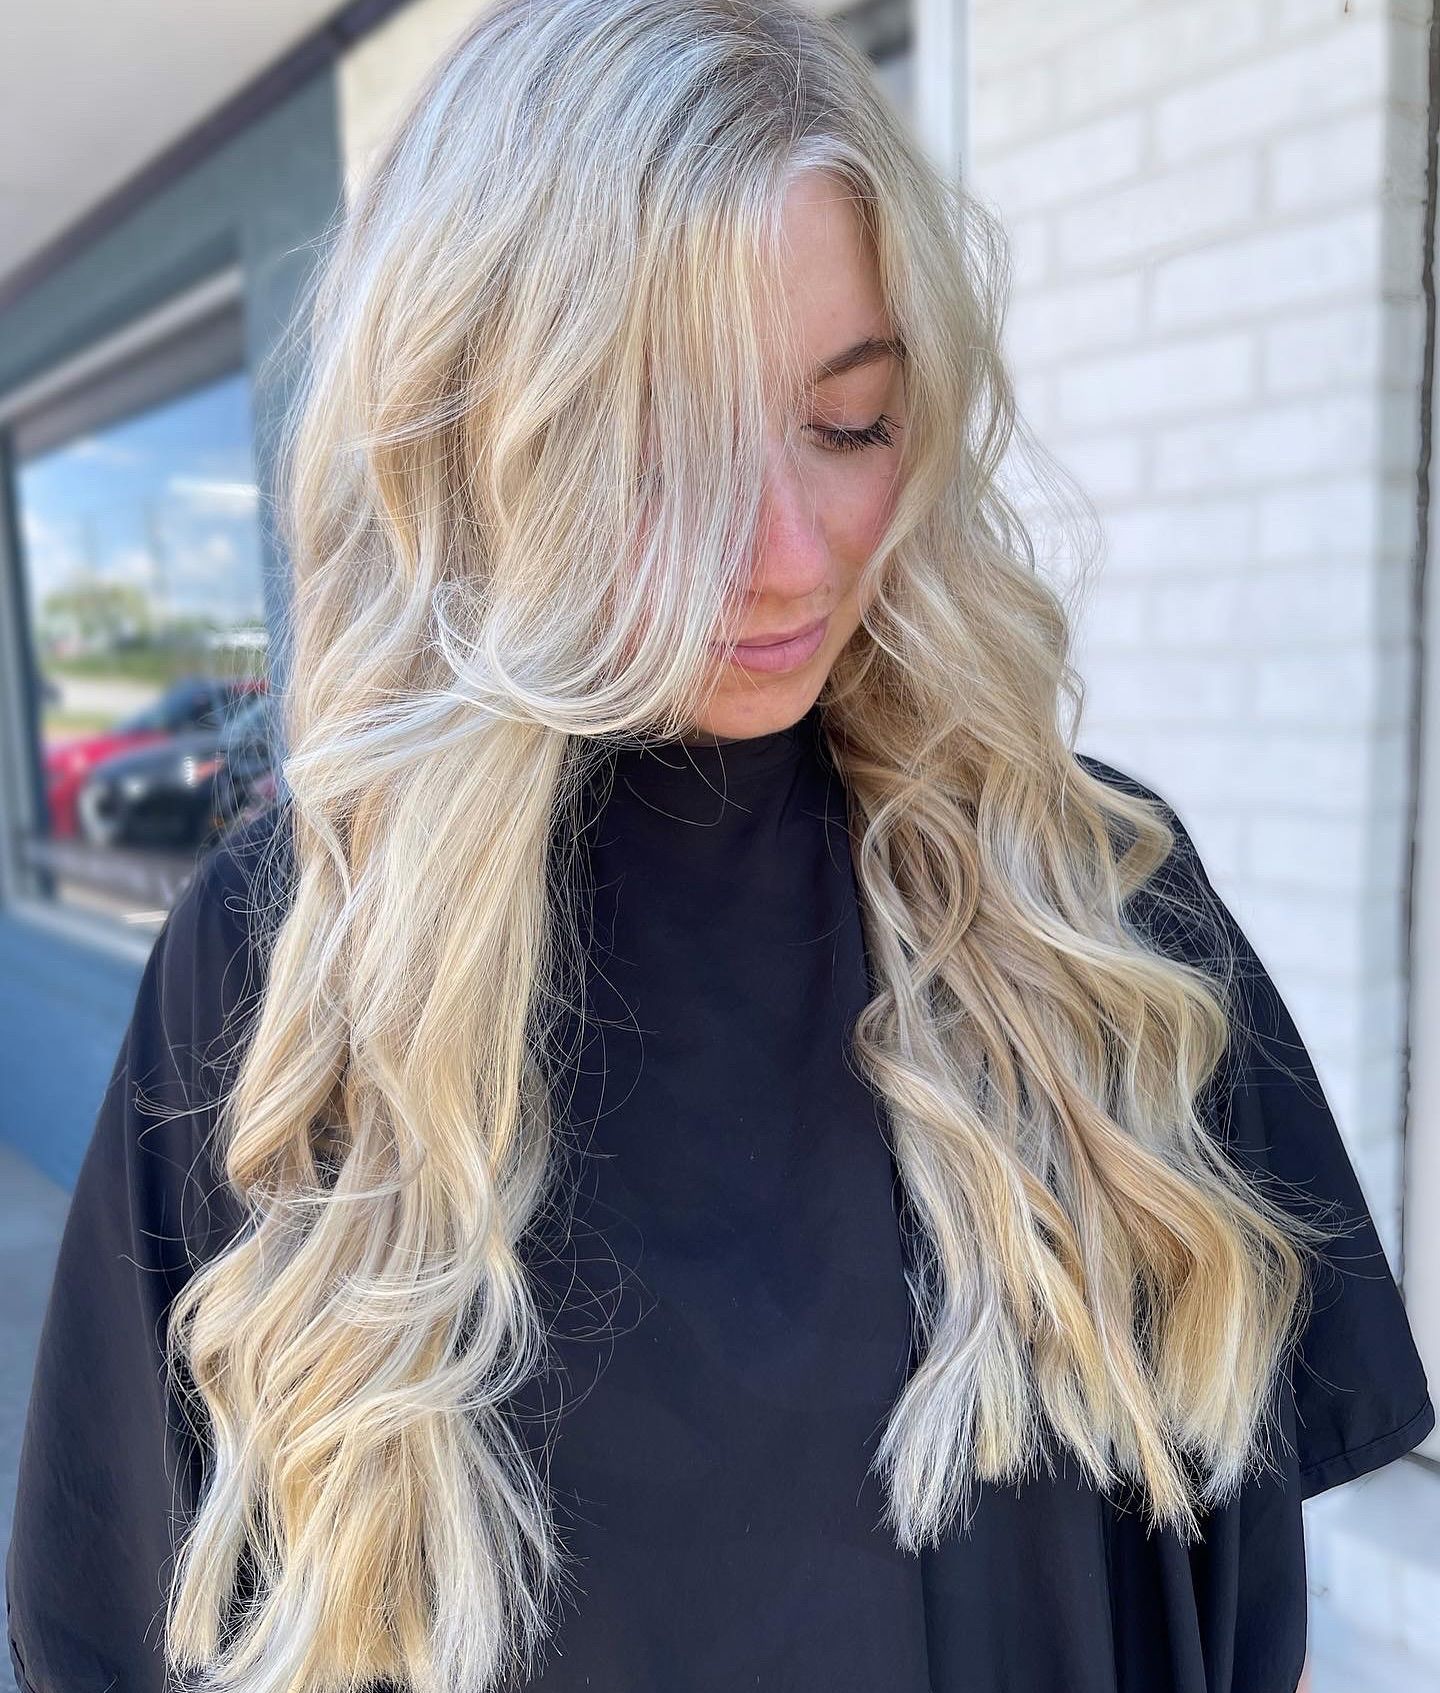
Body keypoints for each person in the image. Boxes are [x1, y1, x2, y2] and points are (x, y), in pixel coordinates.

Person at [6, 2, 1433, 1690]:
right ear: (473, 442)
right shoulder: (283, 971)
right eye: (655, 453)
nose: (784, 554)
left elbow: (1235, 1594)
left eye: (848, 424)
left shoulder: (1091, 904)